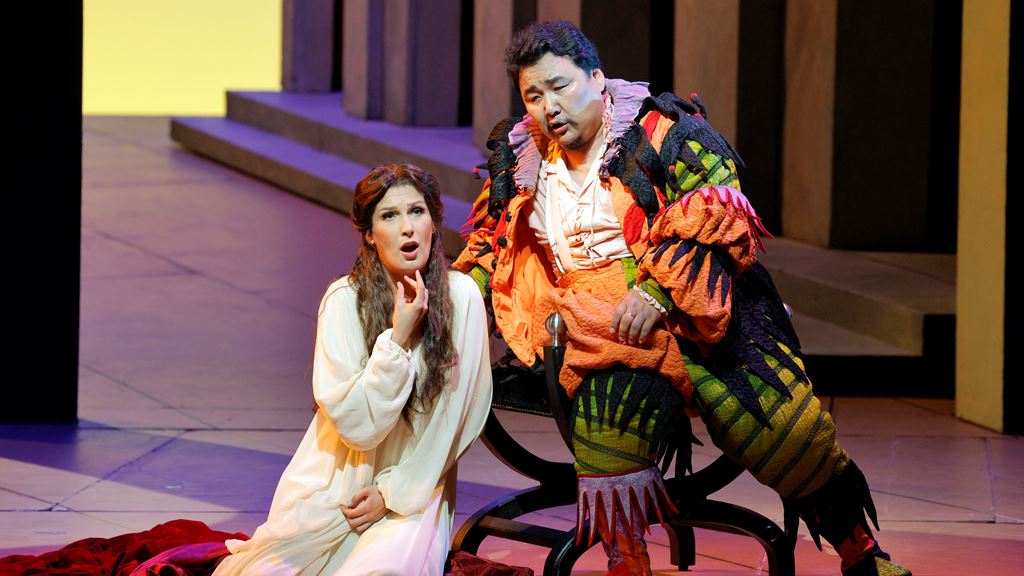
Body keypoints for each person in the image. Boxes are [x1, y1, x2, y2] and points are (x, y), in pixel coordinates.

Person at [454, 20, 910, 576]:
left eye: (560, 86)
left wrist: (658, 291)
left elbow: (718, 205)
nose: (549, 107)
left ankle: (859, 550)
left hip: (690, 310)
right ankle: (627, 560)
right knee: (609, 416)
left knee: (775, 420)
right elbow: (490, 243)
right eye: (533, 95)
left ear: (596, 79)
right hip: (591, 325)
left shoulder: (662, 131)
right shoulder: (521, 157)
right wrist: (459, 299)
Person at [214, 163, 493, 575]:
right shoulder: (343, 300)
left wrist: (390, 493)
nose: (407, 228)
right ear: (369, 234)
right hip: (336, 483)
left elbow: (452, 425)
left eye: (417, 212)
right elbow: (358, 427)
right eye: (389, 216)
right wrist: (398, 338)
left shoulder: (461, 297)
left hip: (412, 494)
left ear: (434, 222)